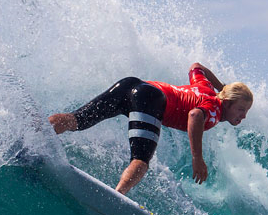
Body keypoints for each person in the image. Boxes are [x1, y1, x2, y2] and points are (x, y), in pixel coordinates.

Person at [49, 63, 253, 195]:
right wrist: (197, 158)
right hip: (151, 99)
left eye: (246, 111)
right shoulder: (215, 109)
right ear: (227, 103)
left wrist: (221, 87)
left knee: (76, 120)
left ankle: (39, 130)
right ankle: (117, 196)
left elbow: (196, 67)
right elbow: (195, 116)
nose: (243, 116)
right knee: (141, 160)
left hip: (131, 85)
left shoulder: (205, 87)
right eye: (241, 109)